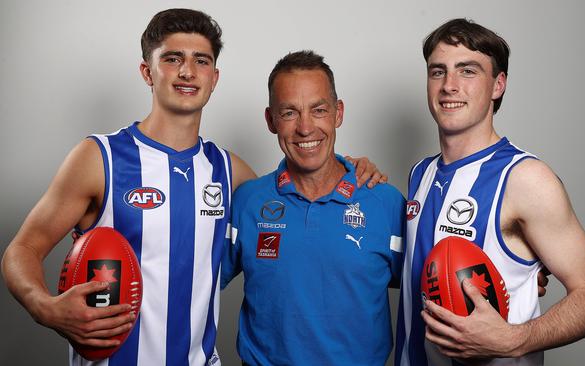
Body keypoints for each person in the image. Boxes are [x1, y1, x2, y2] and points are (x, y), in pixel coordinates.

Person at [1, 9, 382, 366]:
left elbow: (297, 204)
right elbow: (23, 248)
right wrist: (45, 307)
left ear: (214, 78)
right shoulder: (99, 158)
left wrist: (352, 170)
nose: (187, 71)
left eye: (201, 61)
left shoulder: (229, 172)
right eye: (172, 58)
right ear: (147, 72)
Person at [395, 19, 585, 365]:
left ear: (498, 85)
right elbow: (414, 271)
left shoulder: (526, 178)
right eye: (438, 72)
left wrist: (514, 339)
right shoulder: (420, 173)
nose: (449, 86)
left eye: (467, 71)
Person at [220, 50, 405, 365]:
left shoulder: (385, 203)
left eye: (318, 110)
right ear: (271, 120)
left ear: (338, 113)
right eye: (290, 112)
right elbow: (192, 284)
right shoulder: (247, 201)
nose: (305, 128)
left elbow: (428, 297)